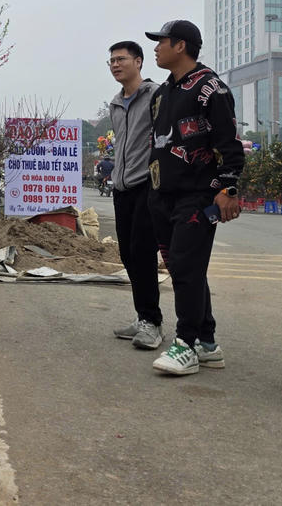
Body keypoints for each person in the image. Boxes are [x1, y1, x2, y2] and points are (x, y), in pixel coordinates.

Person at [144, 20, 244, 375]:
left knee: (187, 268)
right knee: (184, 269)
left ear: (181, 46)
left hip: (198, 196)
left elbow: (230, 146)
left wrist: (228, 189)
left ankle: (185, 344)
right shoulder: (161, 93)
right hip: (162, 194)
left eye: (162, 41)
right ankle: (207, 342)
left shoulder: (210, 88)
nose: (156, 48)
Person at [106, 41, 163, 350]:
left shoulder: (155, 95)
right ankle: (143, 317)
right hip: (121, 187)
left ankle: (152, 322)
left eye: (121, 59)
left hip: (146, 185)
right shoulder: (116, 104)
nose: (116, 65)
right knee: (127, 253)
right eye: (112, 61)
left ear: (138, 61)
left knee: (143, 251)